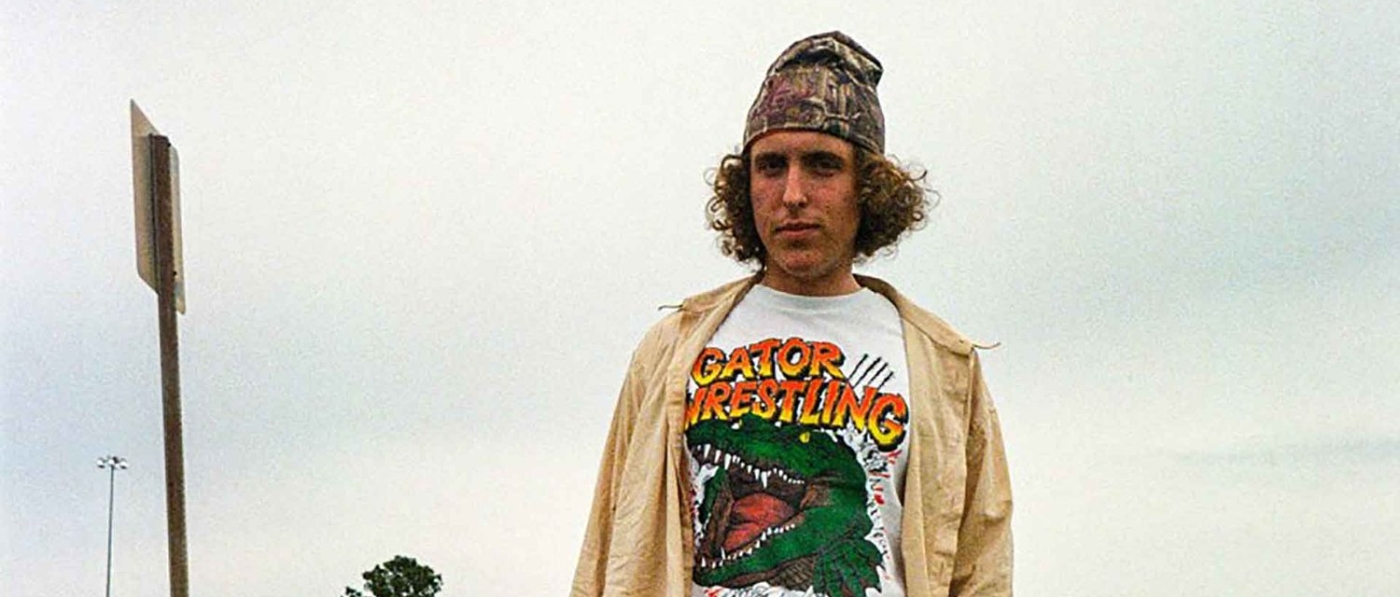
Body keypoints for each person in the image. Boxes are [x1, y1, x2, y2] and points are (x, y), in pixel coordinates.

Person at [572, 31, 1012, 597]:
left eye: (823, 165)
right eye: (771, 166)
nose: (793, 193)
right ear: (746, 184)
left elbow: (983, 567)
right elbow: (611, 541)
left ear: (868, 187)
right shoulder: (671, 350)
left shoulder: (942, 364)